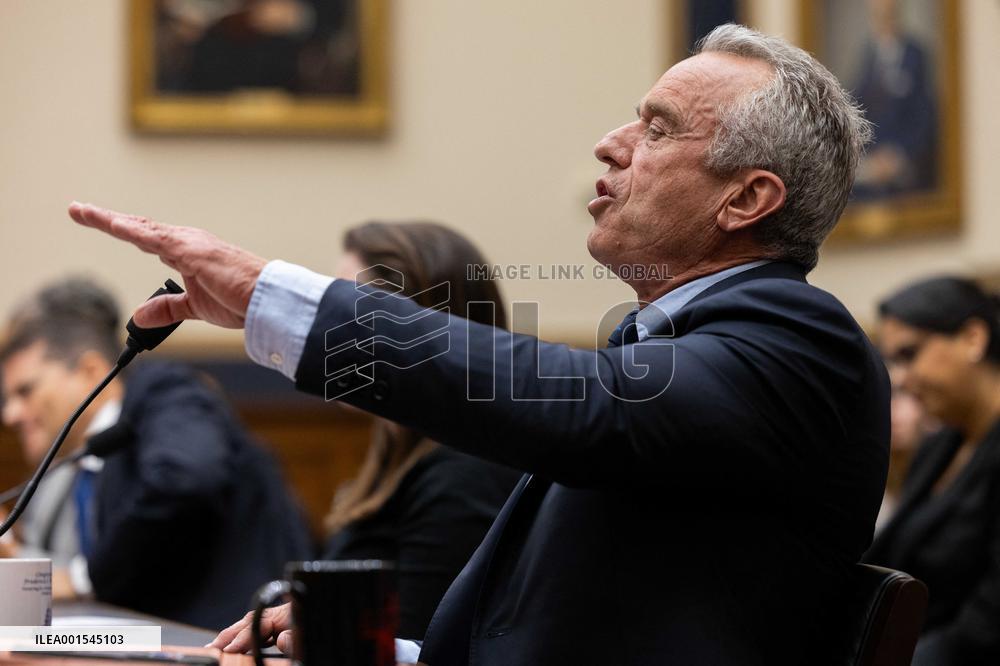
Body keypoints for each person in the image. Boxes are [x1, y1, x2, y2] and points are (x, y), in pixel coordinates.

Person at [67, 23, 888, 665]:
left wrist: (277, 299)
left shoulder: (799, 340)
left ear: (746, 198)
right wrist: (383, 648)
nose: (611, 144)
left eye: (658, 129)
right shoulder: (675, 347)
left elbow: (594, 406)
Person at [0, 278, 313, 630]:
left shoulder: (165, 391)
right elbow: (64, 578)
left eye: (25, 391)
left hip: (231, 642)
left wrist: (84, 578)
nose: (9, 414)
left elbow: (187, 478)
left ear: (89, 372)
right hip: (129, 643)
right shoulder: (64, 471)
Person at [319, 222, 519, 641]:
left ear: (418, 332)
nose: (328, 333)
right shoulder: (400, 457)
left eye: (350, 314)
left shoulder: (463, 473)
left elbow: (421, 646)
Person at [866, 276, 1000, 665]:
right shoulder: (941, 445)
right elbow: (887, 560)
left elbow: (987, 623)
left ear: (973, 338)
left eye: (910, 354)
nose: (900, 378)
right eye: (893, 360)